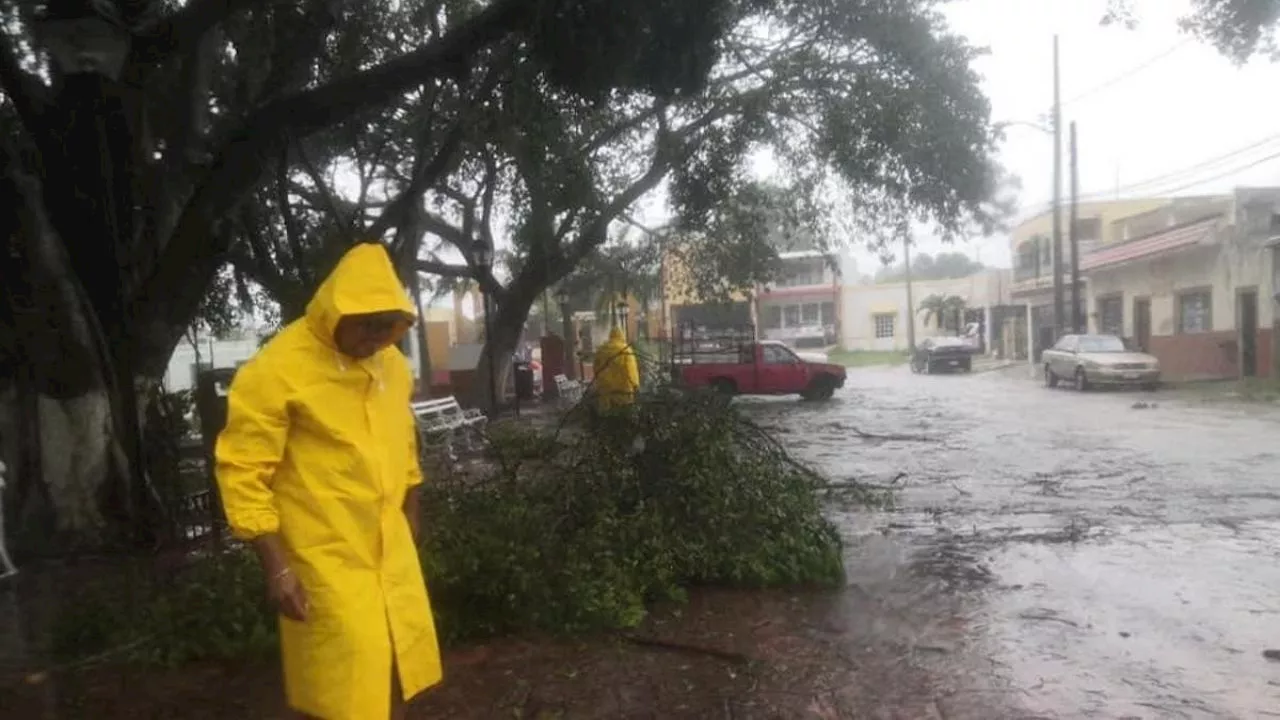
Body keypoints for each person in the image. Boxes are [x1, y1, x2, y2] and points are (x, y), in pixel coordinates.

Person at [216, 243, 440, 720]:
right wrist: (276, 567)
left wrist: (411, 517)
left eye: (387, 326)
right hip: (325, 555)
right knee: (339, 681)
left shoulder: (391, 366)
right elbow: (242, 470)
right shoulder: (277, 370)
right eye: (367, 325)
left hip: (389, 548)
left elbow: (405, 445)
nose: (376, 338)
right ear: (336, 310)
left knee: (400, 664)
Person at [592, 326, 640, 411]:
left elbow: (596, 368)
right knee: (623, 416)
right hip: (623, 391)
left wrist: (599, 383)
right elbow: (631, 370)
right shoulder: (626, 350)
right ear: (622, 336)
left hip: (605, 391)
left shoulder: (601, 350)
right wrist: (635, 385)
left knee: (606, 417)